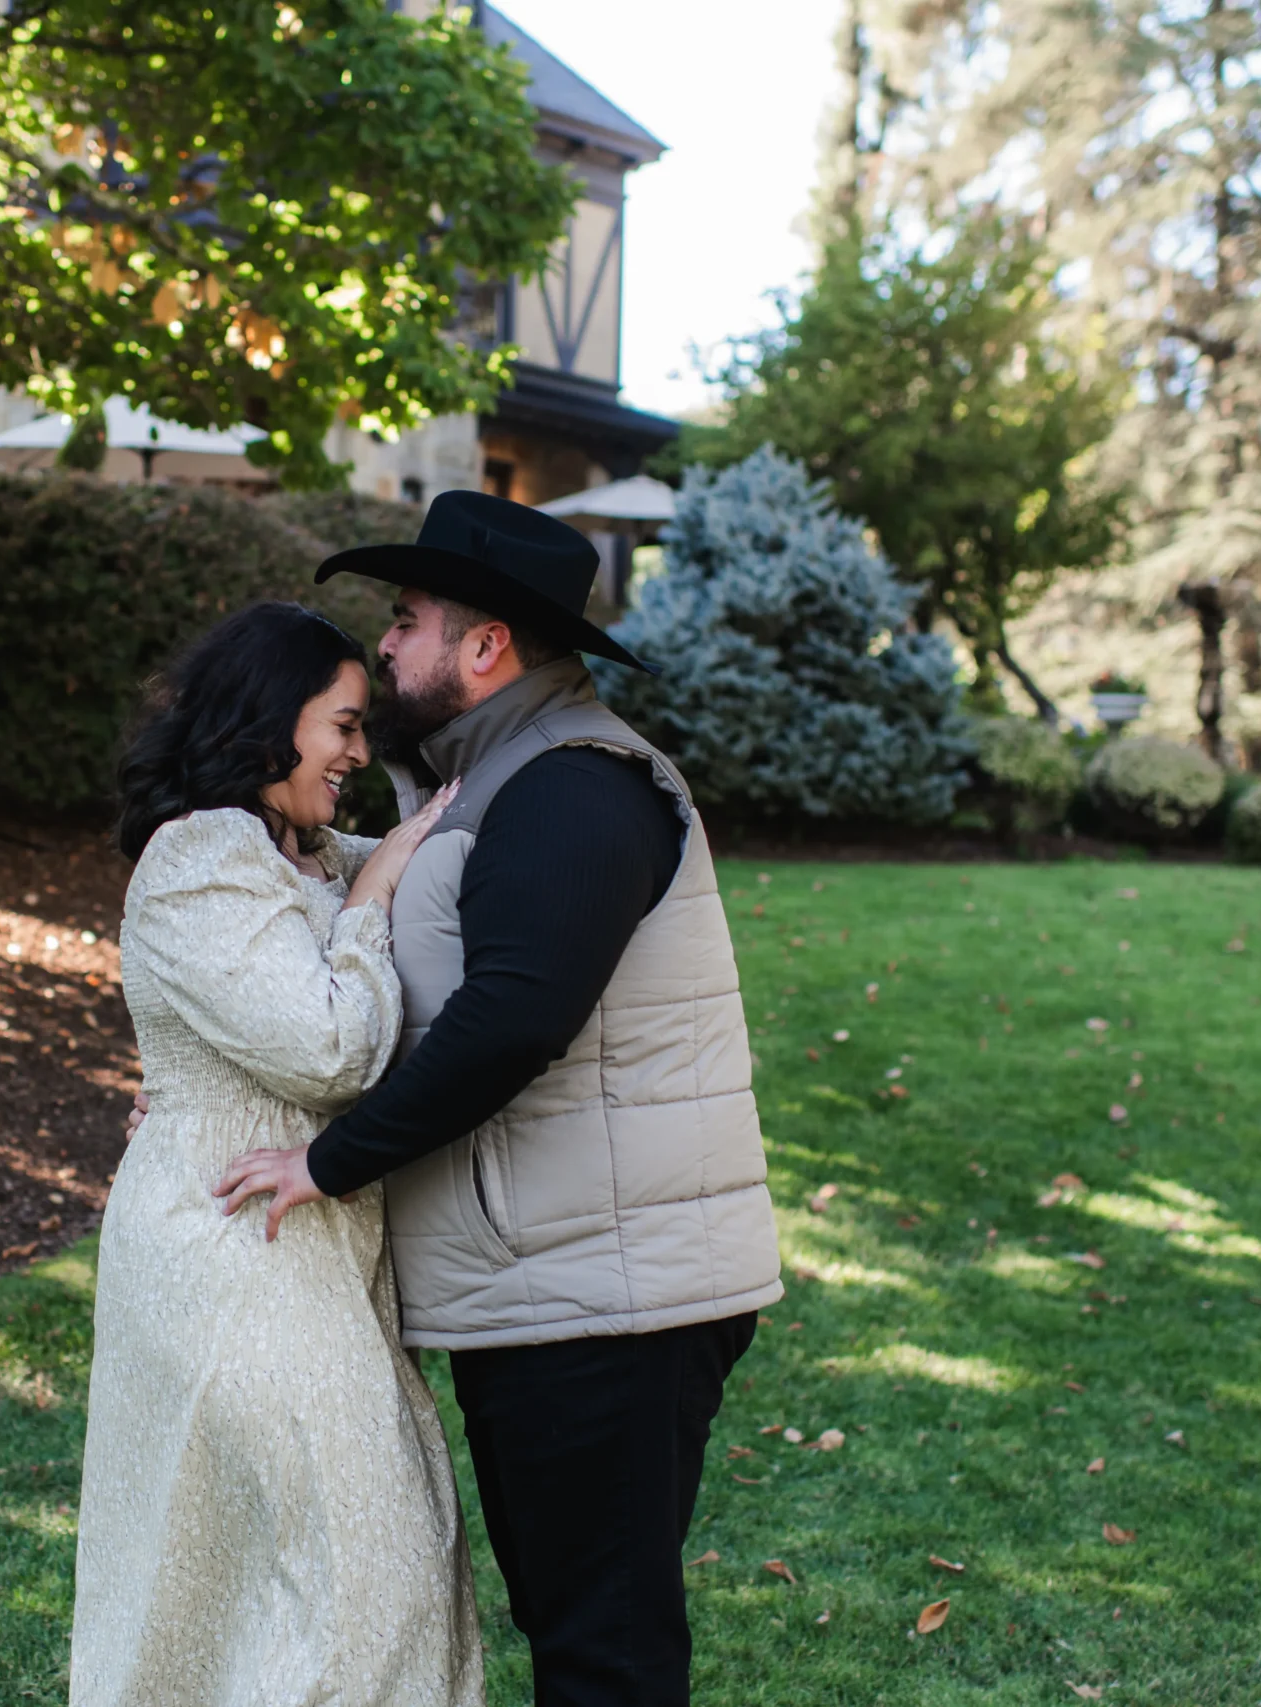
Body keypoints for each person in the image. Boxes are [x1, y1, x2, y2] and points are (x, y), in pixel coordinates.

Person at [209, 491, 783, 1707]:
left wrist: (328, 1162)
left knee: (604, 1652)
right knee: (576, 1630)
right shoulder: (487, 782)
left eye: (409, 621)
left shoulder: (578, 784)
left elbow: (516, 1017)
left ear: (485, 649)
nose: (388, 648)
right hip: (552, 1284)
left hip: (611, 1299)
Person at [72, 601, 477, 1707]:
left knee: (337, 1561)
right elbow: (332, 1052)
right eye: (342, 726)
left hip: (303, 1237)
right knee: (357, 1558)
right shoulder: (201, 853)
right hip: (228, 1237)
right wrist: (375, 899)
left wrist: (387, 863)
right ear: (267, 719)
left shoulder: (295, 848)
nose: (357, 753)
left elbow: (395, 853)